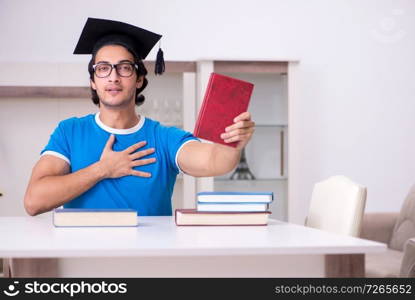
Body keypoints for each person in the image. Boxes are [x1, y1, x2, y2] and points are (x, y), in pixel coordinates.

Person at [23, 18, 255, 216]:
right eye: (103, 68)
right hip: (86, 260)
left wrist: (233, 143)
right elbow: (34, 201)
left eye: (124, 67)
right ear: (93, 81)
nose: (113, 77)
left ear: (139, 79)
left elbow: (214, 161)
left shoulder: (164, 138)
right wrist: (103, 169)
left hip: (148, 262)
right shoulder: (70, 132)